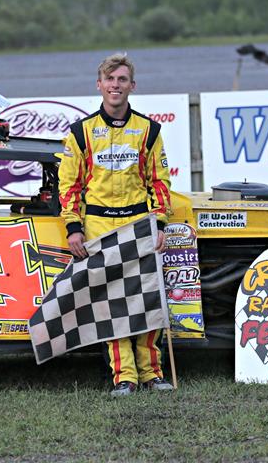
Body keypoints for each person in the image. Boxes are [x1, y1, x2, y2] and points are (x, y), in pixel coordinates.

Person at [58, 52, 175, 396]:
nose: (115, 85)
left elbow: (160, 181)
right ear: (100, 85)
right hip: (98, 227)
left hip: (140, 224)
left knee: (146, 299)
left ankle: (152, 372)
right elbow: (69, 186)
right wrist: (73, 227)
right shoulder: (80, 133)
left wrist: (161, 223)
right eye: (110, 79)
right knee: (112, 303)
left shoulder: (149, 130)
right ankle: (124, 376)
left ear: (132, 86)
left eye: (122, 80)